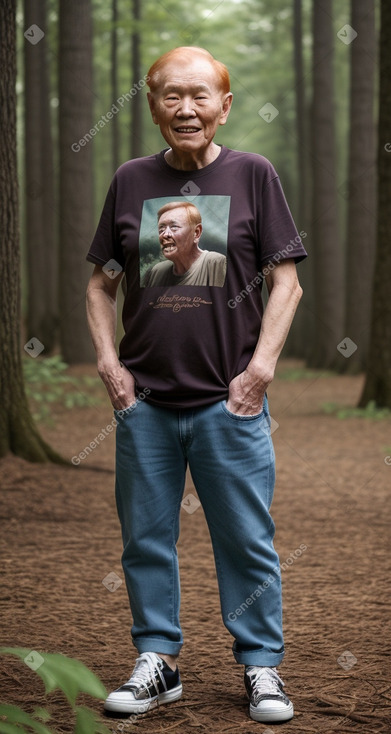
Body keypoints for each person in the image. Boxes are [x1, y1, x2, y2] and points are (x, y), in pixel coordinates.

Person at [86, 46, 307, 724]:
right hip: (145, 404)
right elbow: (100, 283)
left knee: (245, 538)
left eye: (199, 95)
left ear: (224, 105)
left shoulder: (253, 174)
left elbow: (287, 281)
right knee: (145, 538)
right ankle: (158, 663)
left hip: (228, 404)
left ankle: (261, 666)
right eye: (169, 96)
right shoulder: (130, 179)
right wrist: (109, 366)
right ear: (151, 104)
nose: (185, 108)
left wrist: (260, 371)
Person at [142, 201, 227, 287]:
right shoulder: (157, 272)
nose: (165, 234)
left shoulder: (216, 263)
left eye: (174, 227)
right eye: (161, 229)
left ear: (196, 233)